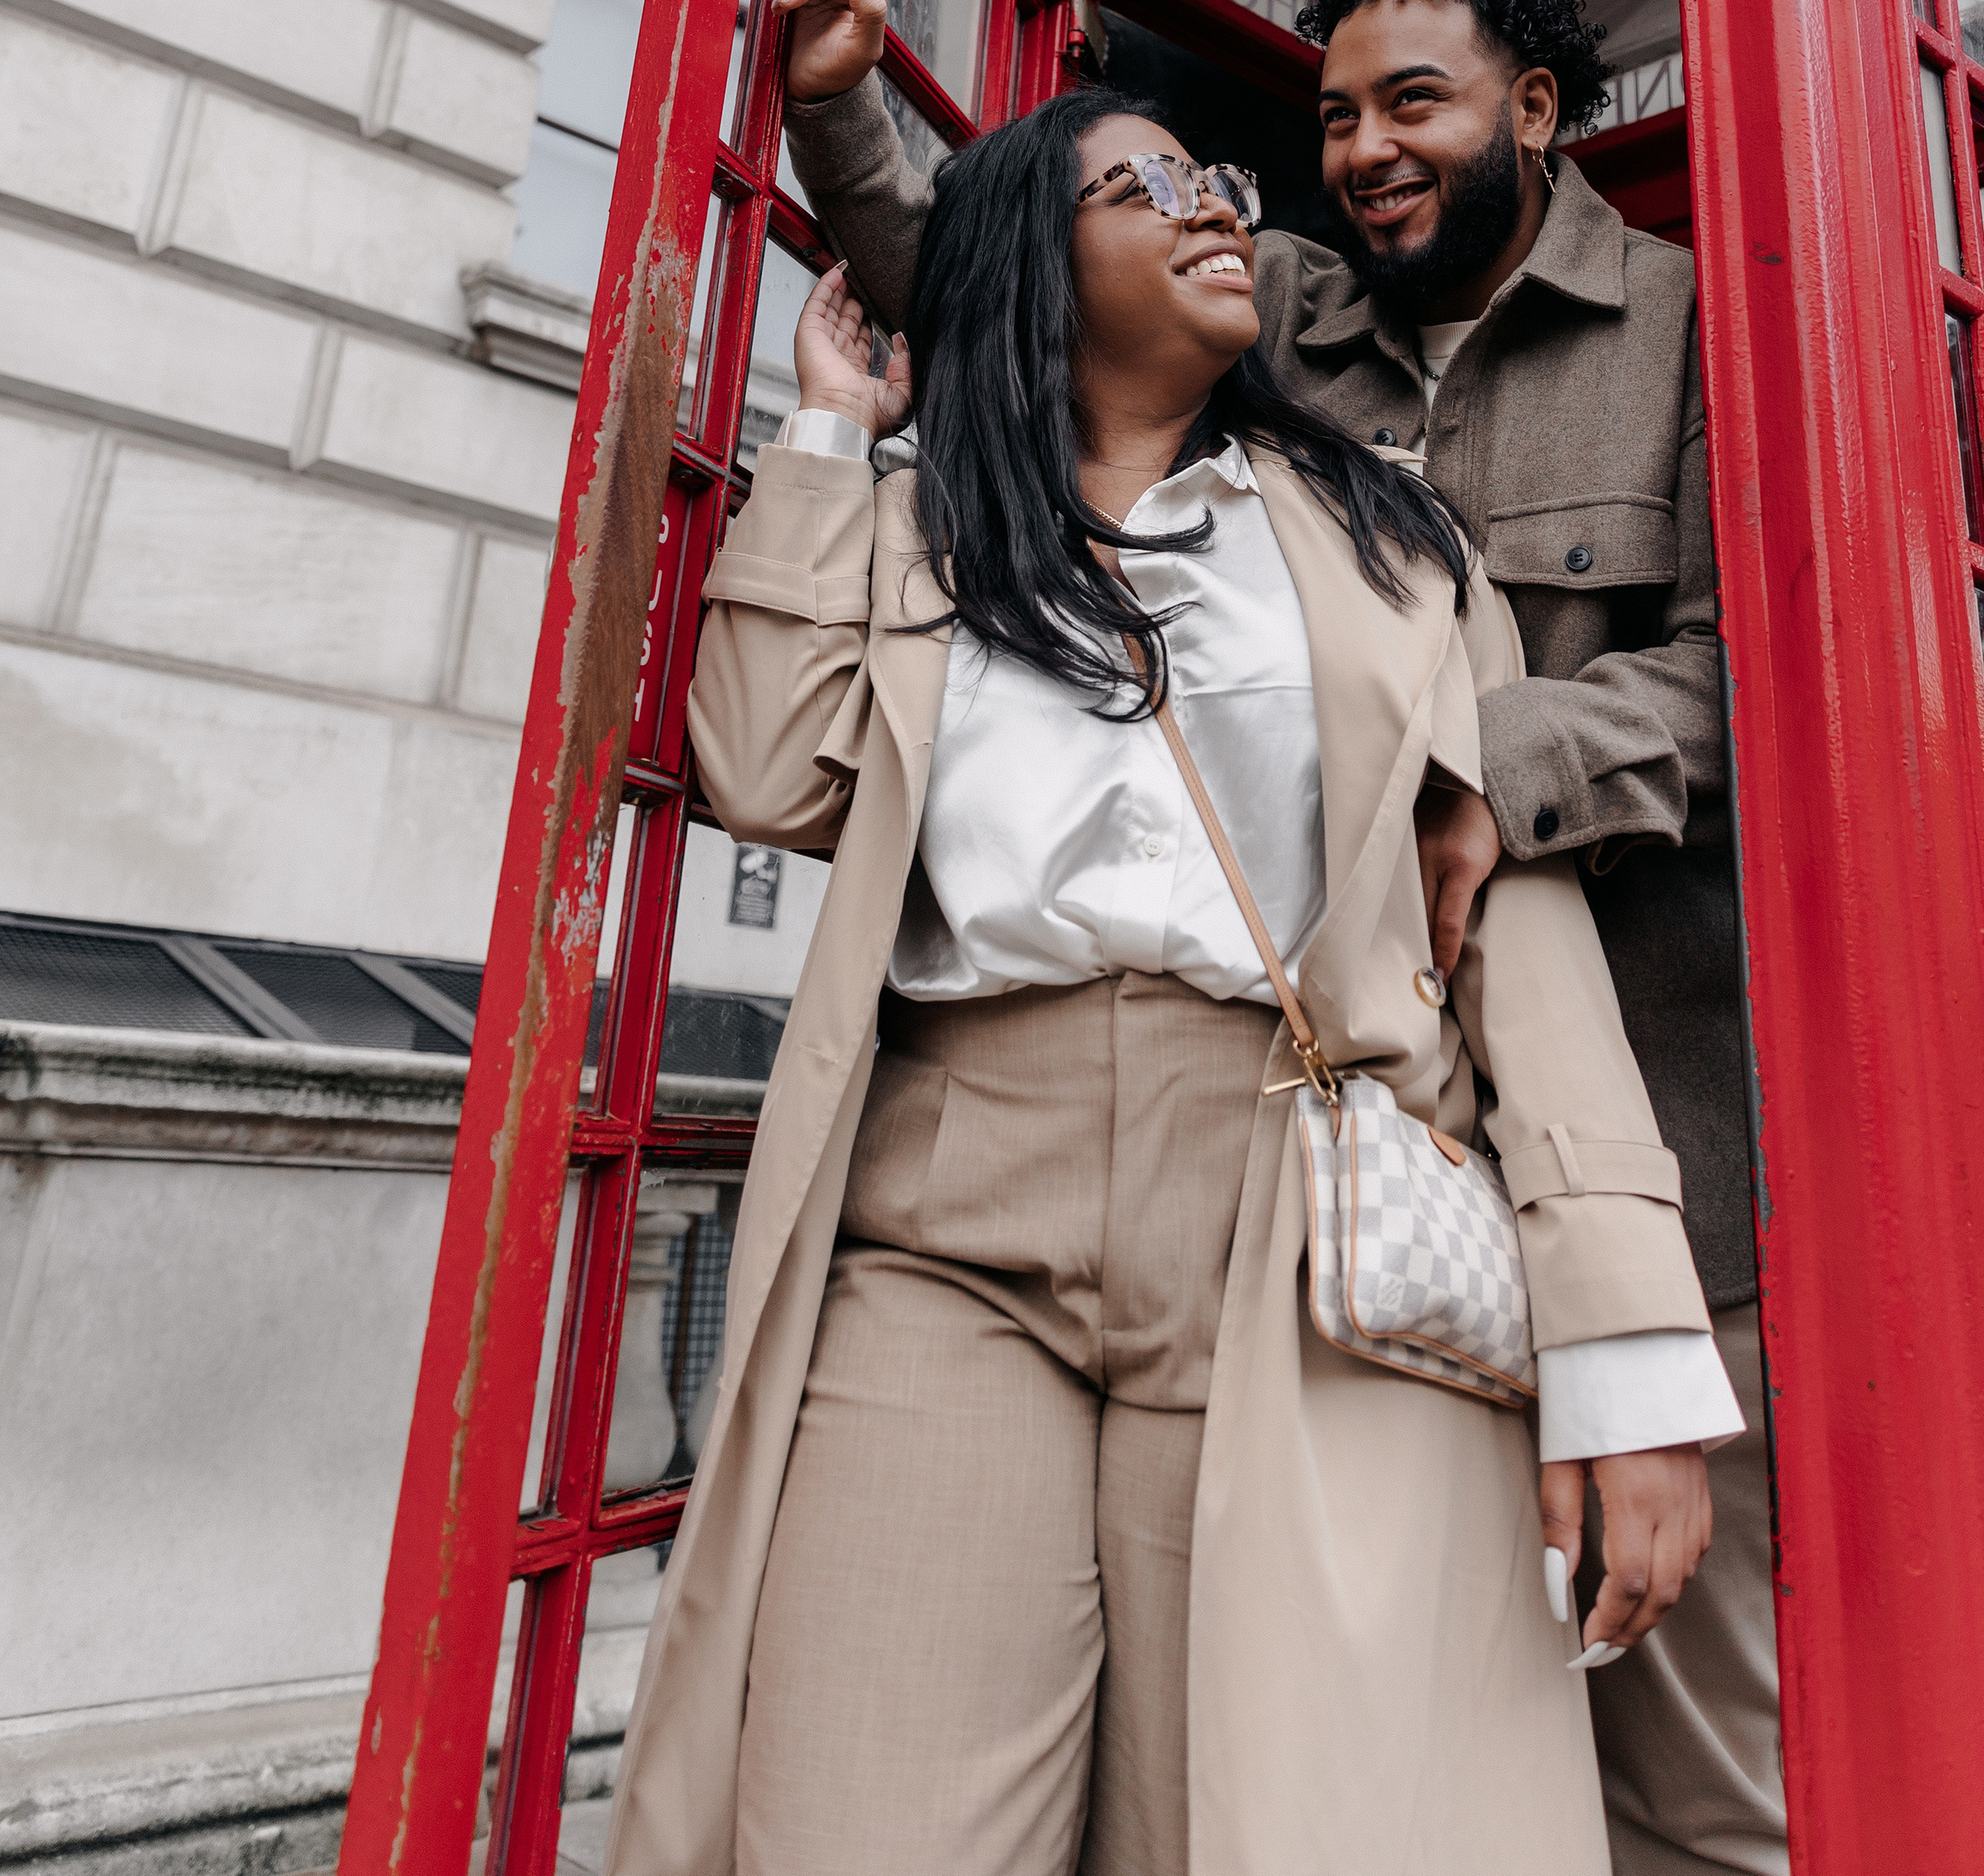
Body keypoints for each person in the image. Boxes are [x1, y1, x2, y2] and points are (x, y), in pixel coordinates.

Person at [604, 90, 1740, 1876]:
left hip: (1290, 1226)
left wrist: (1629, 1355)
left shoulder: (1389, 549)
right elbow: (762, 766)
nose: (1216, 211)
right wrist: (824, 435)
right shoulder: (925, 532)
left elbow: (1518, 944)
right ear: (1027, 273)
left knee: (1239, 1821)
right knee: (856, 1813)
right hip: (948, 1216)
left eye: (1211, 181)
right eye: (1140, 189)